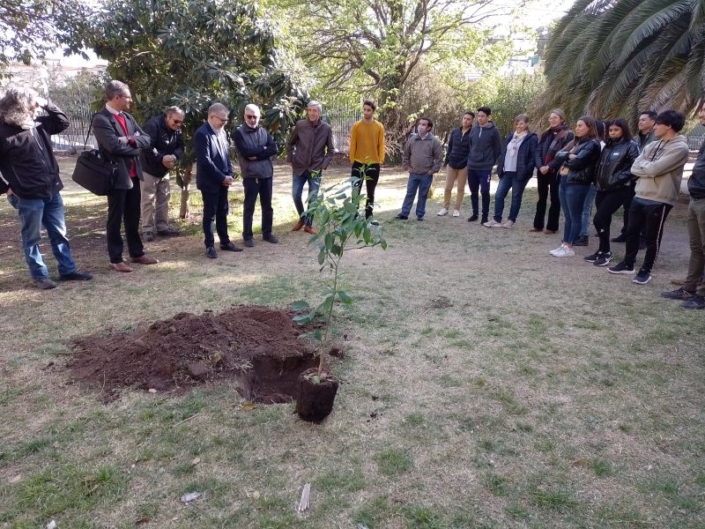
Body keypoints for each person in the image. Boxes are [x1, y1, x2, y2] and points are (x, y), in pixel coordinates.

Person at [0, 86, 92, 289]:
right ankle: (40, 276)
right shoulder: (3, 132)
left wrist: (47, 103)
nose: (36, 108)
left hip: (52, 190)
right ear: (19, 107)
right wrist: (5, 188)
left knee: (59, 233)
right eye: (32, 105)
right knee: (32, 237)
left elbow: (62, 122)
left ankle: (67, 270)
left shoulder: (37, 124)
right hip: (27, 195)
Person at [608, 110, 690, 284]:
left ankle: (646, 270)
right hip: (640, 194)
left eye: (658, 124)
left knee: (652, 237)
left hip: (660, 198)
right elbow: (634, 167)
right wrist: (648, 167)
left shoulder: (680, 148)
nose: (654, 127)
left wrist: (646, 167)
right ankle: (628, 263)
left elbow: (654, 169)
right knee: (631, 232)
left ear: (668, 126)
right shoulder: (653, 145)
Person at [93, 80, 158, 273]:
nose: (131, 100)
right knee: (116, 217)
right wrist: (135, 147)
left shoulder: (128, 117)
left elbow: (146, 139)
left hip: (134, 174)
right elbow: (113, 146)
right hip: (116, 175)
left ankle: (136, 253)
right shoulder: (101, 119)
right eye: (128, 97)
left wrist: (129, 139)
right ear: (117, 97)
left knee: (133, 215)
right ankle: (116, 258)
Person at [660, 107, 705, 309]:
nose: (700, 114)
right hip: (696, 198)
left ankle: (702, 295)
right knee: (696, 248)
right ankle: (689, 288)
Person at [584, 118, 639, 266]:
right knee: (605, 220)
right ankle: (602, 250)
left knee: (598, 219)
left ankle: (606, 251)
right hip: (602, 188)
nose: (613, 132)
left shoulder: (631, 146)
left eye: (616, 130)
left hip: (619, 189)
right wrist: (596, 179)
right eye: (610, 130)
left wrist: (617, 179)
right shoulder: (608, 145)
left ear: (624, 130)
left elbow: (636, 167)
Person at [195, 102, 242, 259]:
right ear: (211, 117)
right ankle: (209, 245)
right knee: (210, 214)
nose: (225, 123)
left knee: (223, 212)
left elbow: (225, 155)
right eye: (222, 119)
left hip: (223, 180)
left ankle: (225, 241)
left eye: (226, 120)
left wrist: (229, 174)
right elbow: (205, 161)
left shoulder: (222, 132)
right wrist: (221, 177)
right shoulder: (202, 134)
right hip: (210, 182)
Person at [549, 116, 601, 257]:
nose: (577, 128)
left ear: (589, 127)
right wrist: (569, 155)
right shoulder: (575, 142)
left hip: (578, 183)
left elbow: (578, 162)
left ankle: (570, 246)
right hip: (564, 180)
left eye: (580, 125)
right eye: (576, 125)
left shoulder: (592, 144)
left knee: (575, 215)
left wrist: (568, 157)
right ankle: (565, 243)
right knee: (567, 216)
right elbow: (557, 155)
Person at [287, 100, 335, 234]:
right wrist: (291, 159)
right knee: (296, 195)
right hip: (299, 167)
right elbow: (290, 144)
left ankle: (308, 225)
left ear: (319, 112)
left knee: (313, 198)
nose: (312, 113)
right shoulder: (300, 125)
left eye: (315, 111)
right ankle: (302, 218)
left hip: (315, 168)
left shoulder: (326, 128)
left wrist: (323, 165)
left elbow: (331, 150)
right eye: (310, 110)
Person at [233, 103, 278, 247]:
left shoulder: (264, 131)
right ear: (244, 116)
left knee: (267, 206)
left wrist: (257, 154)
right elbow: (246, 152)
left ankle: (267, 233)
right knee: (249, 207)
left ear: (259, 117)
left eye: (255, 117)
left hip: (267, 174)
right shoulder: (238, 133)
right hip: (251, 176)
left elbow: (273, 148)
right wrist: (263, 149)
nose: (252, 119)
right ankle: (247, 236)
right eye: (249, 116)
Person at [484, 114, 537, 228]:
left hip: (520, 173)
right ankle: (497, 219)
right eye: (517, 123)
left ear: (526, 124)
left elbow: (533, 156)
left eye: (521, 123)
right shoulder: (511, 136)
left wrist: (527, 169)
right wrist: (500, 165)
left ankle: (511, 220)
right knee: (499, 195)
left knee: (516, 197)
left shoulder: (531, 138)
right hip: (506, 171)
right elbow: (504, 151)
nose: (519, 126)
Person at [139, 106, 185, 242]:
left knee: (163, 198)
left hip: (164, 169)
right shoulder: (153, 125)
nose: (178, 124)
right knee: (148, 199)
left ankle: (162, 227)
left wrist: (174, 157)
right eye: (176, 121)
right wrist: (161, 158)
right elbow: (147, 146)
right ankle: (147, 229)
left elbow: (181, 146)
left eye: (180, 122)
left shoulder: (177, 129)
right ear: (167, 117)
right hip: (149, 168)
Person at [613, 110, 657, 243]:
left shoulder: (656, 139)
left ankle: (643, 236)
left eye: (643, 119)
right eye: (639, 119)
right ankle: (626, 232)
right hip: (631, 178)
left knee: (644, 208)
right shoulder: (636, 138)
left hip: (646, 179)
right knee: (628, 207)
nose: (640, 122)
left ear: (653, 122)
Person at [532, 109, 573, 234]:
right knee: (541, 198)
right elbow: (538, 151)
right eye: (550, 118)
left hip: (556, 171)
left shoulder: (568, 134)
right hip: (542, 170)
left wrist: (549, 166)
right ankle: (538, 225)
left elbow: (563, 154)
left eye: (555, 117)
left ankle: (552, 227)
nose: (552, 120)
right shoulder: (546, 133)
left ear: (562, 119)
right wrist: (540, 166)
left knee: (555, 199)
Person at [396, 117, 443, 221]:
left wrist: (432, 171)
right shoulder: (412, 140)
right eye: (420, 124)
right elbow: (405, 155)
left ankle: (420, 214)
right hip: (413, 173)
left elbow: (439, 158)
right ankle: (404, 213)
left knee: (423, 195)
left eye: (424, 124)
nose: (420, 126)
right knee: (409, 194)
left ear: (429, 128)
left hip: (426, 174)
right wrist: (407, 167)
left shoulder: (434, 141)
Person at [349, 100, 385, 220]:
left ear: (373, 111)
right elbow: (353, 143)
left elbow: (381, 144)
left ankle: (369, 216)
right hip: (358, 163)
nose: (366, 112)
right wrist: (352, 159)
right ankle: (354, 216)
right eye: (364, 109)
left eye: (368, 110)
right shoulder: (356, 126)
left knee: (371, 191)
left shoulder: (379, 127)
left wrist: (380, 160)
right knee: (355, 191)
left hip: (373, 164)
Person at [466, 106, 502, 224]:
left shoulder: (494, 130)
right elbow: (471, 145)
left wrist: (491, 162)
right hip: (472, 165)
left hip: (485, 167)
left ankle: (484, 216)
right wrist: (471, 157)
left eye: (482, 116)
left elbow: (497, 149)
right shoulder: (474, 129)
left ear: (488, 117)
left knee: (485, 191)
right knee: (473, 191)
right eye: (479, 116)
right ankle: (475, 213)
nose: (480, 118)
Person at [575, 120, 607, 246]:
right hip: (584, 180)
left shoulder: (598, 144)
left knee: (585, 208)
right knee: (581, 208)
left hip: (591, 180)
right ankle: (579, 233)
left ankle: (583, 235)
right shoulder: (586, 143)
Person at [438, 111, 474, 218]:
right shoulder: (455, 132)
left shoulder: (473, 133)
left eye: (468, 119)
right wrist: (447, 161)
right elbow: (450, 147)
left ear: (472, 121)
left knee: (460, 189)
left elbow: (473, 150)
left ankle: (456, 209)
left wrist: (468, 162)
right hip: (452, 163)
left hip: (464, 165)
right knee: (447, 187)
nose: (465, 120)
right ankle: (445, 208)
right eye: (464, 118)